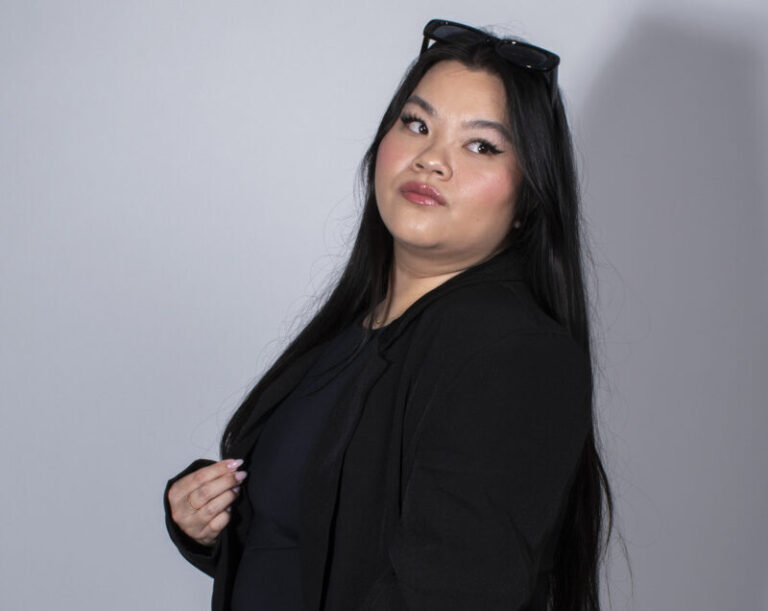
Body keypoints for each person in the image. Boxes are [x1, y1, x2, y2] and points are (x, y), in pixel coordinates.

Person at [164, 18, 617, 611]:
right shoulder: (351, 332)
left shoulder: (514, 354)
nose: (432, 159)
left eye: (480, 145)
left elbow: (454, 594)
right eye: (417, 124)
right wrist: (207, 521)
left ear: (528, 202)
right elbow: (317, 546)